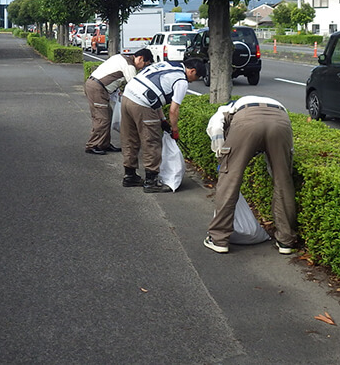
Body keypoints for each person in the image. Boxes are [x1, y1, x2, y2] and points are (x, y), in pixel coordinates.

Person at [203, 95, 297, 255]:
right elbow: (284, 154)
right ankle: (286, 241)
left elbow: (215, 128)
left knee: (230, 180)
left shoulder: (225, 110)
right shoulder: (273, 105)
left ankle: (218, 238)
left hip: (246, 120)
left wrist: (222, 155)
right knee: (283, 181)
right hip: (281, 120)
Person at [120, 58, 204, 191]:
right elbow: (174, 109)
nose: (193, 80)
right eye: (196, 77)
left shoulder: (167, 64)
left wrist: (163, 120)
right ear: (192, 71)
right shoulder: (181, 80)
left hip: (127, 96)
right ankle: (150, 182)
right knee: (151, 142)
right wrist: (175, 130)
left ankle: (130, 176)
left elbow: (155, 95)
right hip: (142, 104)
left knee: (130, 138)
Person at [85, 49, 153, 155]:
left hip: (95, 85)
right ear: (140, 58)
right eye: (144, 64)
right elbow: (134, 86)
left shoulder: (121, 57)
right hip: (98, 89)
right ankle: (92, 145)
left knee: (107, 115)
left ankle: (104, 144)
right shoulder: (129, 66)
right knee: (102, 118)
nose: (142, 68)